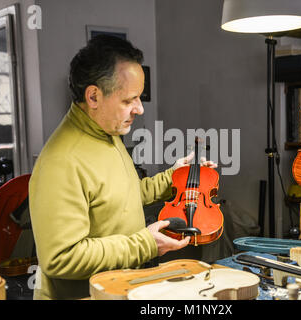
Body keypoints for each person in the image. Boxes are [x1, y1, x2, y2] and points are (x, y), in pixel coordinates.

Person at [29, 35, 217, 300]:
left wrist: (175, 177)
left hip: (123, 289)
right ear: (93, 96)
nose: (139, 109)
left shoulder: (107, 132)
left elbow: (123, 197)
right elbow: (60, 258)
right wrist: (145, 244)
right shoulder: (61, 162)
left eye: (139, 98)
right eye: (129, 100)